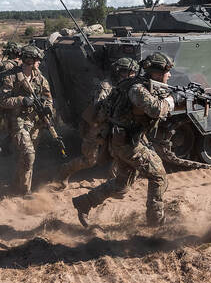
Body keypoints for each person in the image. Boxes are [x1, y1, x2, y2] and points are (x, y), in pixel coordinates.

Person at [71, 52, 181, 228]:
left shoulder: (138, 84)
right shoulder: (137, 89)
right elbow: (155, 110)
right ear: (157, 73)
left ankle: (84, 202)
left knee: (121, 185)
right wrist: (171, 100)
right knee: (159, 176)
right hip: (128, 143)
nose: (170, 75)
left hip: (122, 141)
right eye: (168, 72)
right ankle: (156, 222)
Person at [54, 57, 139, 189]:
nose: (133, 75)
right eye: (131, 72)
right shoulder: (106, 87)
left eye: (134, 73)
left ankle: (116, 183)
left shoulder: (126, 86)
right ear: (120, 72)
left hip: (114, 126)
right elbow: (100, 110)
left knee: (119, 153)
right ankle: (64, 171)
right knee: (89, 160)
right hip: (97, 126)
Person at [0, 44, 54, 195]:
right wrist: (22, 100)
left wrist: (47, 108)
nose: (39, 63)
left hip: (34, 121)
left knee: (27, 158)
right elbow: (2, 101)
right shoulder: (11, 77)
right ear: (29, 60)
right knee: (29, 154)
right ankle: (24, 192)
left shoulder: (39, 78)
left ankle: (17, 185)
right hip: (17, 121)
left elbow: (48, 97)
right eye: (37, 60)